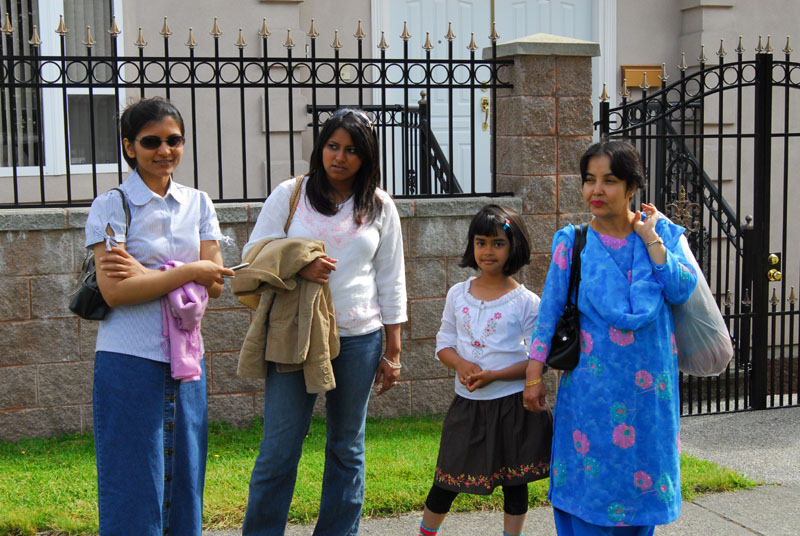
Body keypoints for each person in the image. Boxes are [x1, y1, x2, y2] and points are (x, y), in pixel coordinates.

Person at [240, 107, 407, 535]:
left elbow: (391, 279)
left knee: (346, 449)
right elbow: (252, 253)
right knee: (279, 448)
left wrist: (393, 351)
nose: (340, 157)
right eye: (333, 146)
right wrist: (300, 262)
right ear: (321, 148)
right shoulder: (290, 194)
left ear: (366, 156)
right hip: (296, 335)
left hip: (359, 338)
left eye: (351, 150)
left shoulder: (379, 206)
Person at [524, 140, 698, 535]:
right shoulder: (573, 241)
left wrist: (651, 239)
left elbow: (681, 289)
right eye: (590, 180)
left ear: (632, 187)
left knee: (643, 486)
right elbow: (549, 311)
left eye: (610, 181)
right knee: (590, 484)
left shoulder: (661, 233)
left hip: (651, 398)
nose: (596, 191)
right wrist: (533, 376)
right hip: (591, 395)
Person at [86, 97, 235, 535]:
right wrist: (188, 271)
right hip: (129, 359)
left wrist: (148, 274)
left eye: (174, 140)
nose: (164, 150)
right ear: (129, 146)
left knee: (186, 479)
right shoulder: (111, 206)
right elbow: (116, 291)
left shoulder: (198, 203)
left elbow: (216, 283)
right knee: (131, 480)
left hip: (187, 361)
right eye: (151, 141)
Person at [419, 205, 553, 536]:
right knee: (446, 479)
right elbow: (443, 343)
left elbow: (538, 359)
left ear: (514, 247)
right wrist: (460, 363)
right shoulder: (457, 294)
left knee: (515, 482)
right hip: (467, 405)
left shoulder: (526, 302)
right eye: (481, 242)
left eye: (498, 243)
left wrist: (495, 376)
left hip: (513, 407)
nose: (488, 251)